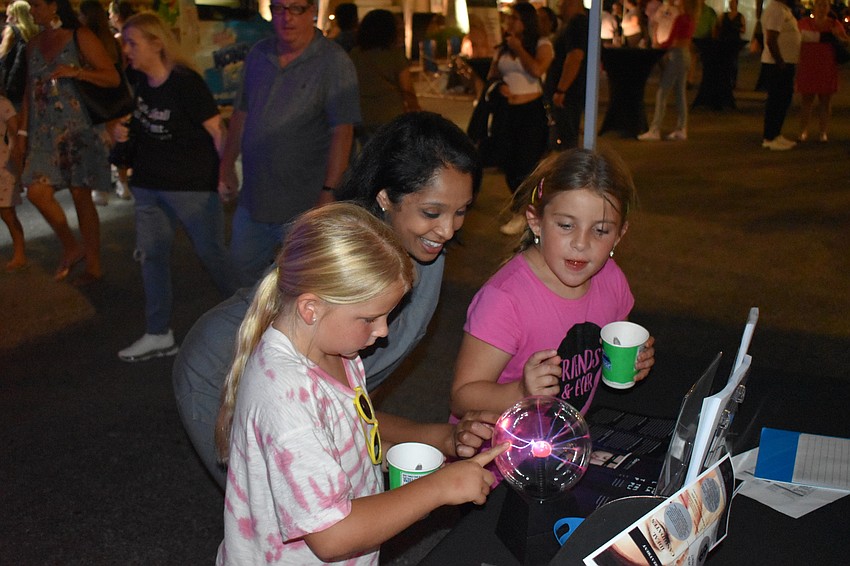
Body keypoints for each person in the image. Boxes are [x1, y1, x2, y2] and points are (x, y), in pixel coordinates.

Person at [173, 111, 481, 489]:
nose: (448, 229)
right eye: (432, 212)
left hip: (297, 382)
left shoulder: (423, 246)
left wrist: (440, 437)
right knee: (268, 507)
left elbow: (351, 403)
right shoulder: (345, 262)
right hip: (218, 366)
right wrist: (437, 484)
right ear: (385, 196)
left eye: (462, 210)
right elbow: (334, 526)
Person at [214, 202, 506, 564]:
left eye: (387, 316)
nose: (382, 332)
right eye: (369, 318)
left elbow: (355, 423)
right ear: (311, 308)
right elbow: (332, 536)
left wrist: (440, 437)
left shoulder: (335, 350)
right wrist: (440, 487)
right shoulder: (285, 400)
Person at [450, 148, 655, 424]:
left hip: (563, 444)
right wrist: (520, 391)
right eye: (567, 225)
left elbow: (614, 346)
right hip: (496, 451)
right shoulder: (505, 300)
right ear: (535, 221)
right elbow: (462, 398)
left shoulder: (612, 279)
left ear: (619, 235)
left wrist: (634, 360)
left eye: (601, 230)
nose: (581, 244)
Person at [112, 12, 235, 362]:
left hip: (191, 186)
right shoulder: (138, 80)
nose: (127, 50)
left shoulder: (186, 83)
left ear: (157, 43)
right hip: (149, 184)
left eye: (132, 42)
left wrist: (225, 174)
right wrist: (123, 133)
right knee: (152, 256)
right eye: (125, 42)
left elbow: (217, 131)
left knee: (212, 254)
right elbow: (140, 120)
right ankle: (158, 333)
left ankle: (257, 319)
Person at [220, 0, 360, 288]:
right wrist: (226, 165)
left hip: (303, 205)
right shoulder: (259, 54)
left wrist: (329, 193)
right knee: (240, 275)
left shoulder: (334, 62)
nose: (287, 17)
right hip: (255, 199)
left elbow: (342, 132)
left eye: (296, 8)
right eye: (279, 8)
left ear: (312, 11)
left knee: (303, 286)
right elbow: (241, 114)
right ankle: (254, 331)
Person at [15, 0, 119, 285]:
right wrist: (22, 134)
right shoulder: (33, 43)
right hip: (42, 132)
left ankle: (94, 264)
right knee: (36, 191)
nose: (32, 11)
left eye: (37, 5)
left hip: (77, 128)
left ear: (53, 6)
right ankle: (72, 247)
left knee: (80, 196)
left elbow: (111, 77)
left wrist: (77, 72)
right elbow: (28, 92)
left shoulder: (79, 36)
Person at [489, 2, 554, 236]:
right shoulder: (504, 46)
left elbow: (537, 70)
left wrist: (519, 48)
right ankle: (528, 210)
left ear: (526, 21)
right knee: (508, 162)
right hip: (508, 110)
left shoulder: (542, 44)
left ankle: (523, 213)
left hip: (531, 111)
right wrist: (500, 86)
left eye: (514, 18)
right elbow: (492, 75)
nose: (510, 22)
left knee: (527, 165)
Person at [348, 9, 419, 147]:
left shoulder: (355, 55)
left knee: (369, 154)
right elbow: (407, 88)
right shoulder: (395, 55)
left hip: (363, 115)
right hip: (390, 115)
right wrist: (415, 108)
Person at [78, 0, 121, 207]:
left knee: (98, 141)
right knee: (114, 138)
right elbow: (122, 66)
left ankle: (100, 187)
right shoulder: (112, 40)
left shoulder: (86, 40)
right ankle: (122, 182)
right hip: (114, 95)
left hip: (93, 96)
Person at [638, 0, 696, 141]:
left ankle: (655, 129)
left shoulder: (681, 18)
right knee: (680, 93)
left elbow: (672, 39)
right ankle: (682, 128)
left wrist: (660, 45)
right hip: (685, 54)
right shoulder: (690, 18)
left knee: (662, 92)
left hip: (676, 55)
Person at [796, 0, 848, 142]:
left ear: (828, 8)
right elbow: (798, 38)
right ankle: (803, 130)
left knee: (825, 101)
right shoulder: (804, 23)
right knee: (807, 100)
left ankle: (823, 131)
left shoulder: (833, 24)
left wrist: (837, 35)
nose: (822, 8)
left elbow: (845, 41)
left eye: (825, 5)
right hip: (809, 65)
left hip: (827, 66)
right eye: (819, 5)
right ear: (814, 7)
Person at [546, 0, 590, 151]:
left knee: (565, 136)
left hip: (568, 93)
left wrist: (561, 90)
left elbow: (574, 57)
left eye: (562, 4)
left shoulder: (576, 24)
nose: (560, 8)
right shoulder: (582, 23)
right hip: (571, 90)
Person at [760, 0, 801, 150]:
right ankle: (770, 137)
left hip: (785, 62)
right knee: (776, 100)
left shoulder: (783, 9)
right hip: (777, 63)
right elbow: (771, 39)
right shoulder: (776, 10)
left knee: (783, 99)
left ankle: (776, 134)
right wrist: (780, 61)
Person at [107, 0, 135, 201]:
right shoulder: (138, 33)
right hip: (136, 88)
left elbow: (121, 67)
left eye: (110, 13)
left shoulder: (118, 39)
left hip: (123, 91)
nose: (109, 17)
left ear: (116, 16)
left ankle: (122, 181)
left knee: (121, 136)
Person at [0, 91, 24, 271]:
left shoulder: (3, 103)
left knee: (7, 212)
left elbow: (16, 132)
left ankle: (20, 253)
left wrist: (18, 161)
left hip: (3, 165)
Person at [0, 1, 37, 107]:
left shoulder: (12, 31)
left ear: (17, 16)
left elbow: (1, 55)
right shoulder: (36, 32)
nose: (7, 20)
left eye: (9, 16)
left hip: (12, 86)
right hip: (29, 85)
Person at [715, 0, 746, 89]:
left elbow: (744, 29)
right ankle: (724, 80)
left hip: (734, 41)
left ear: (736, 4)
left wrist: (736, 28)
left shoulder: (740, 16)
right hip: (724, 40)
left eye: (733, 3)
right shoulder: (724, 15)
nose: (731, 5)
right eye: (730, 3)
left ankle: (733, 80)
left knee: (733, 61)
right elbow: (718, 26)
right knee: (724, 61)